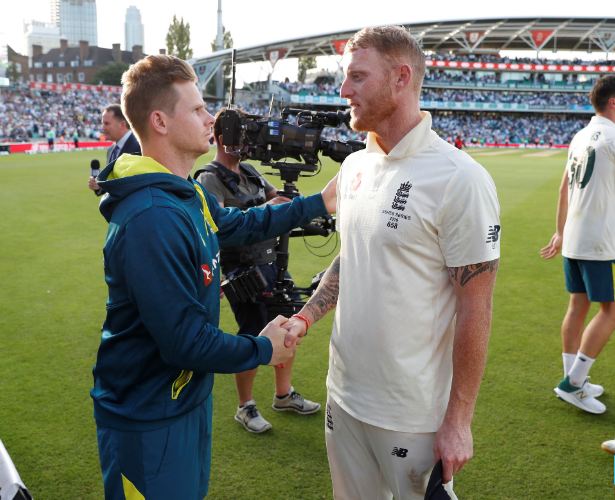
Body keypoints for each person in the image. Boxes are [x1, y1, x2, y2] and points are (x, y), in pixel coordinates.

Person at [90, 54, 337, 500]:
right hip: (148, 416)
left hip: (181, 402)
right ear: (161, 121)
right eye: (199, 109)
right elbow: (185, 341)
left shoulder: (185, 193)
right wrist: (265, 347)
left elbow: (241, 225)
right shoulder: (152, 217)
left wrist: (320, 202)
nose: (211, 118)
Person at [283, 26, 500, 499]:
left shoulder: (460, 179)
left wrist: (459, 421)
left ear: (401, 78)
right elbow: (356, 253)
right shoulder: (358, 165)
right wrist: (306, 316)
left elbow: (476, 308)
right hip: (343, 393)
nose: (344, 91)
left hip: (411, 414)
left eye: (358, 77)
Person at [196, 110, 320, 434]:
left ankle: (283, 394)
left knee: (288, 323)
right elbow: (221, 224)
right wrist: (268, 208)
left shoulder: (250, 172)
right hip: (241, 269)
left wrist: (290, 205)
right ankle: (245, 406)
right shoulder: (208, 178)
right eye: (244, 136)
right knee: (252, 333)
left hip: (270, 261)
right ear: (223, 139)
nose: (249, 143)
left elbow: (275, 199)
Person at [541, 75, 615, 415]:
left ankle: (574, 378)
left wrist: (559, 231)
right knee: (610, 311)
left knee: (578, 306)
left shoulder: (581, 135)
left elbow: (563, 189)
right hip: (597, 238)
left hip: (574, 236)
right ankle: (573, 383)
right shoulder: (613, 137)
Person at [87, 104, 141, 195]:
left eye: (107, 123)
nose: (102, 127)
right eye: (102, 123)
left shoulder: (139, 146)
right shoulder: (111, 150)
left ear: (122, 124)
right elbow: (112, 182)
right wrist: (99, 186)